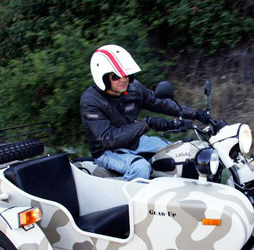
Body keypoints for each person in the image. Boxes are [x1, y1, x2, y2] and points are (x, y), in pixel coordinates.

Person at [80, 44, 207, 180]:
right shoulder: (91, 101)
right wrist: (146, 124)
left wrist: (196, 114)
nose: (123, 79)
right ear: (103, 78)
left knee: (177, 152)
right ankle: (129, 200)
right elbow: (108, 139)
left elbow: (161, 103)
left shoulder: (134, 89)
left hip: (134, 141)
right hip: (106, 152)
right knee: (140, 168)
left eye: (126, 74)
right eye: (116, 76)